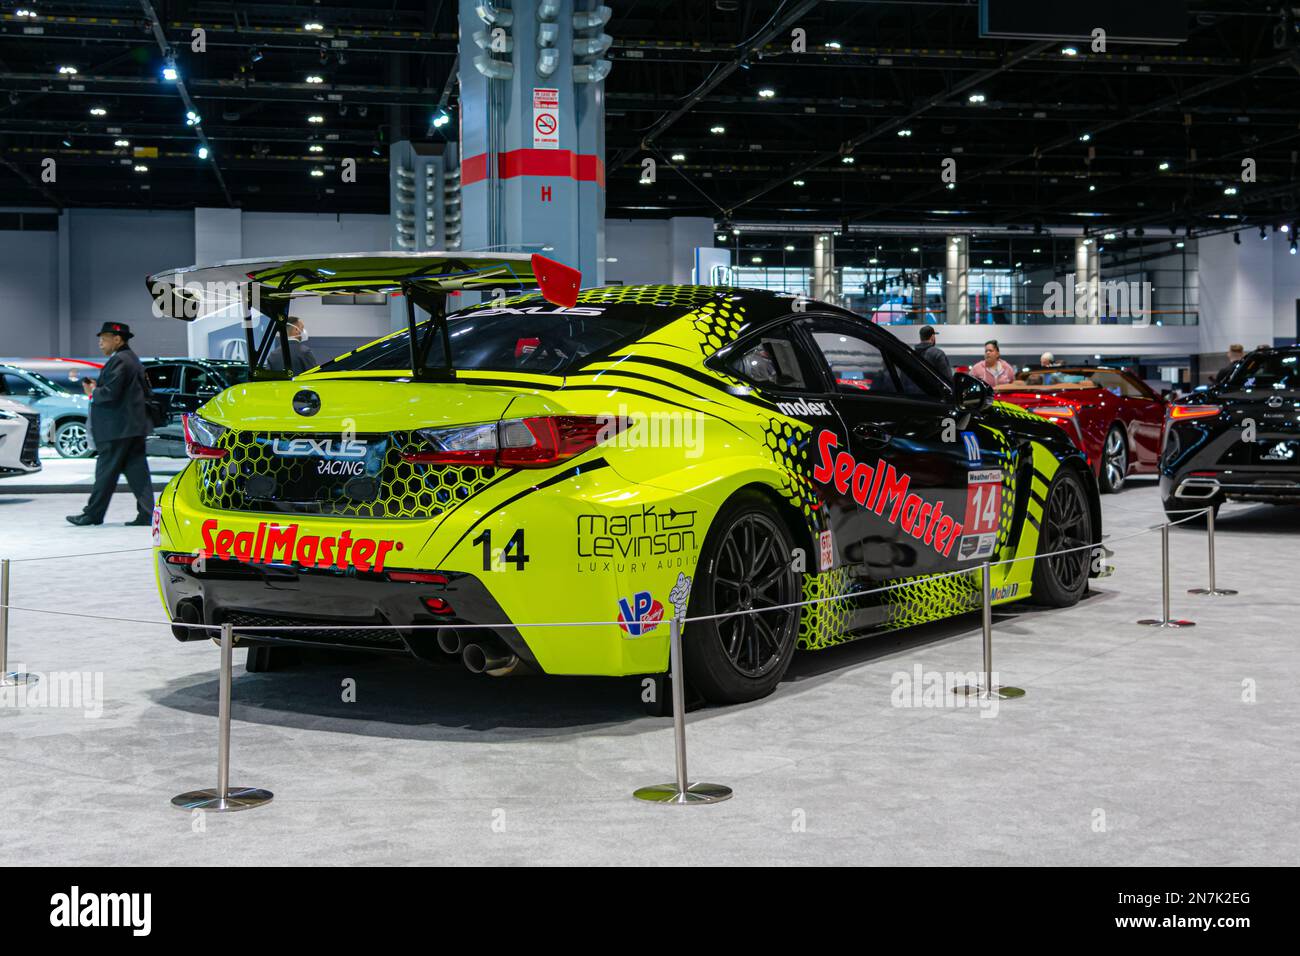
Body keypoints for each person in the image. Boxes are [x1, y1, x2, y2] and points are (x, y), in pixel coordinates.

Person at [67, 322, 155, 527]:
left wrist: (93, 392)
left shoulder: (120, 360)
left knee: (105, 473)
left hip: (118, 428)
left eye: (103, 339)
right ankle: (148, 513)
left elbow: (111, 393)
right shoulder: (130, 359)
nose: (100, 343)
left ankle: (93, 514)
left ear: (117, 339)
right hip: (131, 427)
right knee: (137, 473)